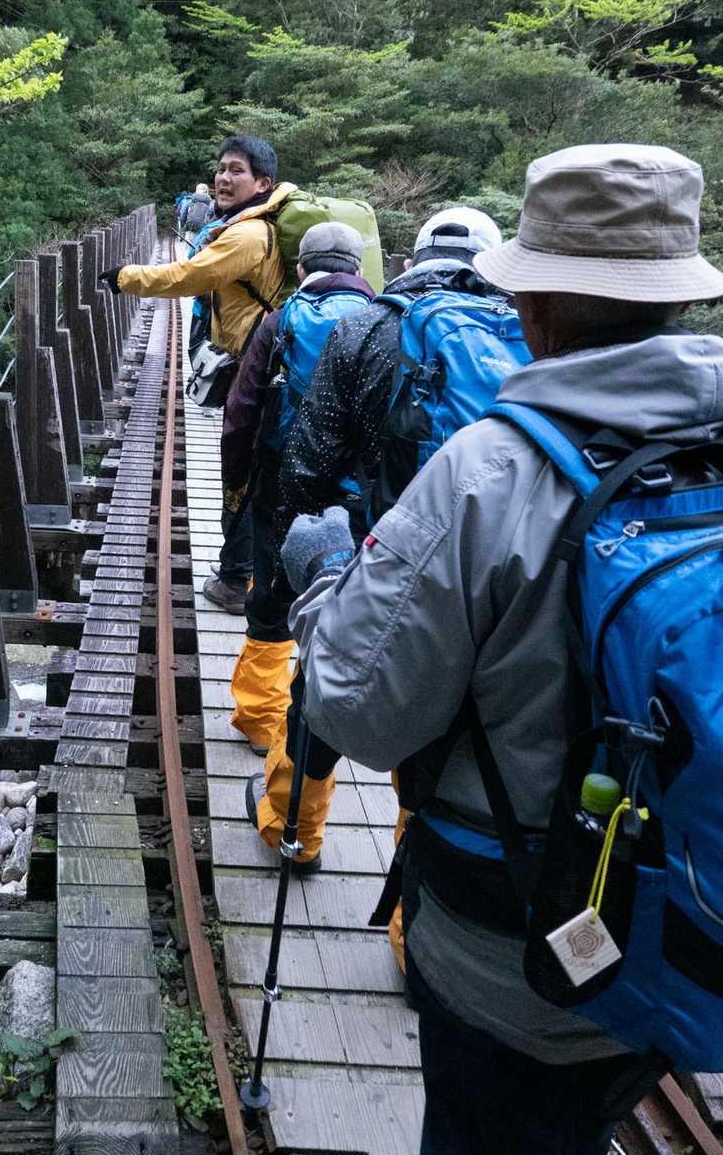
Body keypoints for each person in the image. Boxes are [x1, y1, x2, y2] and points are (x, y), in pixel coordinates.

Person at [280, 143, 723, 1155]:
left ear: (534, 302)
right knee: (575, 1129)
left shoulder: (492, 471)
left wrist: (323, 579)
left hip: (513, 950)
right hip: (695, 914)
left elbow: (360, 713)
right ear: (682, 291)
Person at [246, 209, 504, 910]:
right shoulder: (525, 336)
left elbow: (308, 463)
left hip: (371, 550)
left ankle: (294, 831)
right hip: (485, 570)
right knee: (449, 733)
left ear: (410, 261)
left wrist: (303, 551)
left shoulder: (365, 328)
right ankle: (413, 916)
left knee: (318, 694)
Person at [101, 135, 297, 614]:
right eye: (222, 168)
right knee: (257, 471)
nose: (223, 178)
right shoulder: (251, 225)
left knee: (244, 476)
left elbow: (187, 276)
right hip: (264, 366)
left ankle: (235, 580)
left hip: (258, 372)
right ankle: (247, 571)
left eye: (237, 171)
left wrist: (125, 277)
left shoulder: (248, 235)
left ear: (263, 183)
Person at [221, 222, 374, 785]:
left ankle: (260, 717)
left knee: (272, 591)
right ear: (358, 269)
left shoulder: (281, 318)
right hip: (359, 491)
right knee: (350, 596)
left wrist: (236, 482)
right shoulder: (387, 319)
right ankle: (328, 713)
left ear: (302, 268)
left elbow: (242, 408)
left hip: (284, 479)